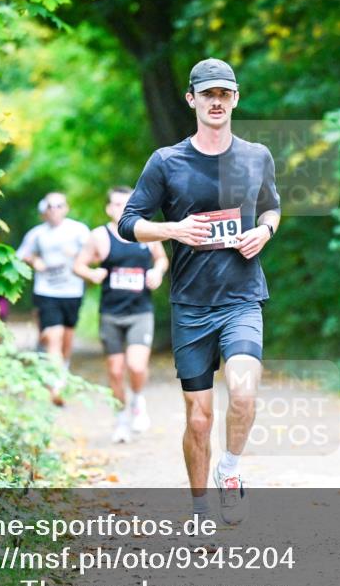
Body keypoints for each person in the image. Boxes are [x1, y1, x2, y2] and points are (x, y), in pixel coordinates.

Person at [118, 58, 280, 526]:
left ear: (235, 99)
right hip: (191, 304)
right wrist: (175, 229)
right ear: (191, 99)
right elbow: (128, 224)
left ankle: (230, 471)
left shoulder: (256, 156)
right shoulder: (167, 161)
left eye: (224, 94)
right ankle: (198, 507)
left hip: (242, 296)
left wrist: (265, 233)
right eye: (207, 94)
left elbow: (272, 208)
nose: (216, 101)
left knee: (245, 389)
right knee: (198, 420)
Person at [74, 186, 169, 444]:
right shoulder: (99, 236)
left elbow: (161, 259)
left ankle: (138, 399)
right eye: (116, 204)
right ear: (108, 208)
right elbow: (79, 264)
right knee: (115, 372)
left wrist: (157, 273)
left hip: (140, 311)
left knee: (136, 366)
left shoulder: (147, 232)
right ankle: (121, 419)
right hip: (111, 313)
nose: (121, 209)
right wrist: (91, 274)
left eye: (126, 204)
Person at [16, 192, 90, 406]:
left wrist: (77, 256)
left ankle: (61, 371)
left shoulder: (78, 231)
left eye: (59, 206)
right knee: (52, 337)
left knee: (67, 339)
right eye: (50, 206)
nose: (55, 209)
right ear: (44, 210)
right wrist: (34, 260)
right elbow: (20, 256)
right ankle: (57, 385)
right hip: (46, 292)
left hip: (72, 291)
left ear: (66, 208)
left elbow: (94, 254)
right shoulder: (37, 234)